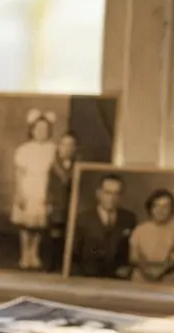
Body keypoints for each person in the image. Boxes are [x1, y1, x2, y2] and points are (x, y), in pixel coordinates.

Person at [11, 110, 58, 270]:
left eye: (45, 129)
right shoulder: (25, 149)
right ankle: (25, 253)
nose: (41, 132)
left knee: (39, 225)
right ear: (32, 130)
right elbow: (19, 173)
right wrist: (20, 193)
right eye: (38, 129)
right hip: (28, 187)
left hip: (44, 188)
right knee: (26, 225)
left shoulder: (53, 148)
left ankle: (34, 253)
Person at [70, 173, 137, 278]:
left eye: (116, 194)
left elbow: (133, 251)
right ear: (98, 193)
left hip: (118, 279)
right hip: (87, 277)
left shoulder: (129, 219)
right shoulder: (82, 219)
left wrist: (127, 268)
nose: (112, 198)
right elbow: (73, 254)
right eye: (108, 193)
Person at [42, 132, 80, 272]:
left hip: (71, 206)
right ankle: (52, 264)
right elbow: (49, 187)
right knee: (54, 235)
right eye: (64, 145)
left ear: (75, 148)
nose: (67, 148)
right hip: (57, 207)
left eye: (71, 145)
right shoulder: (54, 166)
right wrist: (49, 203)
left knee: (68, 236)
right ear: (59, 147)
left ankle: (66, 266)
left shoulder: (78, 166)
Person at [128, 189, 174, 282]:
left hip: (168, 278)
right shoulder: (139, 230)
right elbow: (134, 257)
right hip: (141, 278)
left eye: (165, 206)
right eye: (157, 205)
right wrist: (148, 271)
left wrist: (160, 271)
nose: (161, 210)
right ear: (150, 208)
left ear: (171, 209)